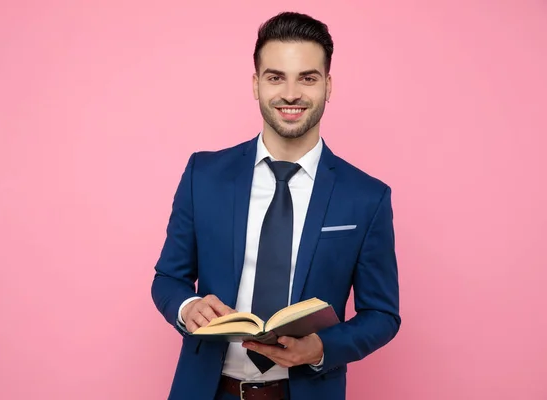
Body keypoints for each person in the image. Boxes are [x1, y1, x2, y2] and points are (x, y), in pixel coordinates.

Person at [151, 11, 401, 400]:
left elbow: (382, 315)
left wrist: (322, 348)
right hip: (207, 390)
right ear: (256, 84)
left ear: (328, 85)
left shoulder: (367, 197)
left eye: (307, 77)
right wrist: (187, 308)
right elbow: (168, 278)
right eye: (275, 77)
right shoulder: (204, 174)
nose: (290, 94)